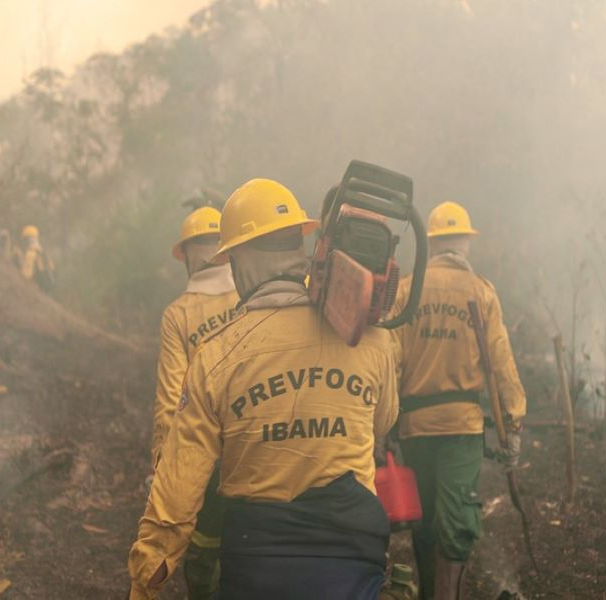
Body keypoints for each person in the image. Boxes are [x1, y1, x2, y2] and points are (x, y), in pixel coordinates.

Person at [128, 178, 400, 600]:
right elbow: (383, 419)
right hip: (350, 561)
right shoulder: (368, 338)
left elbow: (176, 498)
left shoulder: (215, 357)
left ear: (238, 261)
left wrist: (144, 583)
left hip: (257, 565)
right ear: (301, 246)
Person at [389, 201, 526, 600]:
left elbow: (390, 361)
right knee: (456, 523)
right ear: (465, 242)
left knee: (424, 518)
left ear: (431, 244)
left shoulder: (406, 291)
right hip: (460, 430)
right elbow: (501, 361)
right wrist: (513, 421)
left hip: (414, 427)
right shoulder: (480, 292)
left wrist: (384, 423)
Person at [151, 205, 239, 599]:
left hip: (206, 450)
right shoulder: (255, 293)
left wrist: (163, 463)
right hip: (261, 440)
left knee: (204, 545)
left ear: (186, 256)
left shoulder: (178, 315)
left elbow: (172, 396)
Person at [19, 225, 54, 292]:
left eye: (25, 239)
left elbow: (26, 275)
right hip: (45, 287)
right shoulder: (43, 253)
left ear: (29, 239)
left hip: (33, 286)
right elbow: (51, 269)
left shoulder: (31, 254)